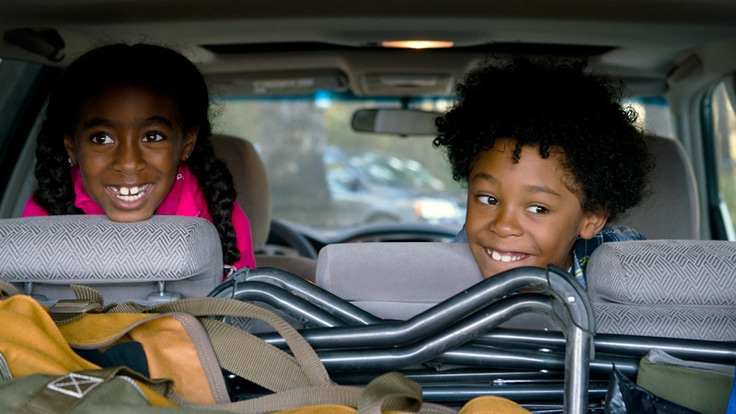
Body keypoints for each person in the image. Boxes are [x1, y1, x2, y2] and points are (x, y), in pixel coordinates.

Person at [22, 43, 256, 274]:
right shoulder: (49, 210)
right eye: (102, 138)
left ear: (186, 144)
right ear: (71, 148)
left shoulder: (217, 212)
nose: (128, 163)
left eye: (153, 136)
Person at [433, 57, 654, 288]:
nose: (504, 226)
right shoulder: (447, 275)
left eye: (538, 208)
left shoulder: (626, 265)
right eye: (489, 199)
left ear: (592, 218)